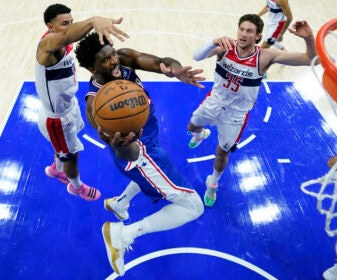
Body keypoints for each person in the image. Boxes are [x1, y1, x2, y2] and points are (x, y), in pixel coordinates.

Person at [75, 32, 205, 275]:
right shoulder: (95, 103)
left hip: (148, 133)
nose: (114, 60)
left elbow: (158, 62)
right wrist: (128, 149)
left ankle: (119, 204)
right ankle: (122, 235)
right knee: (192, 207)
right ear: (92, 68)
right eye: (106, 60)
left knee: (148, 176)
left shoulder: (122, 59)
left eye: (112, 53)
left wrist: (173, 69)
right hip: (135, 150)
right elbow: (120, 148)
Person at [187, 14, 316, 207]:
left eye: (249, 31)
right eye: (241, 29)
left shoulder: (266, 56)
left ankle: (213, 183)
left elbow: (311, 59)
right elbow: (196, 56)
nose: (244, 34)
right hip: (214, 102)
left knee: (222, 153)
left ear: (257, 36)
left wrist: (309, 38)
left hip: (236, 115)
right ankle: (201, 133)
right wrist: (213, 41)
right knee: (192, 125)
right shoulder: (225, 48)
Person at [35, 3, 128, 201]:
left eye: (71, 22)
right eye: (63, 24)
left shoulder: (63, 44)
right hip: (57, 119)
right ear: (50, 27)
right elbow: (66, 36)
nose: (68, 27)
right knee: (72, 155)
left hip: (69, 106)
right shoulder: (48, 46)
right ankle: (75, 186)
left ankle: (56, 166)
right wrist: (94, 20)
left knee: (64, 147)